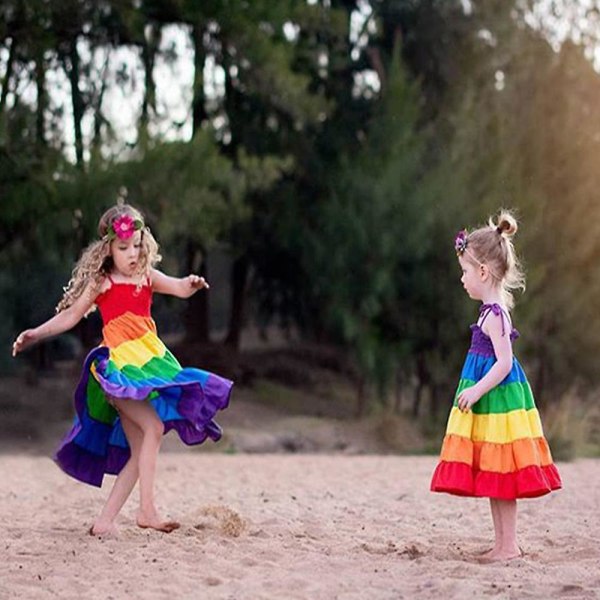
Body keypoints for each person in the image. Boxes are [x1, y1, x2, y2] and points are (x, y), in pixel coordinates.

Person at [12, 202, 233, 536]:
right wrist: (35, 334)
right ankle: (147, 511)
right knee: (154, 429)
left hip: (146, 365)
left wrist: (191, 282)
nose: (132, 253)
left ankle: (104, 522)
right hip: (118, 371)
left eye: (137, 245)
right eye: (124, 247)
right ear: (108, 249)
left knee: (141, 446)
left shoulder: (147, 277)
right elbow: (70, 317)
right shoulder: (103, 283)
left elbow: (178, 287)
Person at [430, 210, 561, 562]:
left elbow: (504, 363)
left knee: (504, 471)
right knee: (494, 472)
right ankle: (502, 543)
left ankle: (508, 546)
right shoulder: (487, 313)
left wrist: (475, 390)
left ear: (483, 272)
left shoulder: (497, 316)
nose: (462, 279)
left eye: (465, 271)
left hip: (500, 401)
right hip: (492, 401)